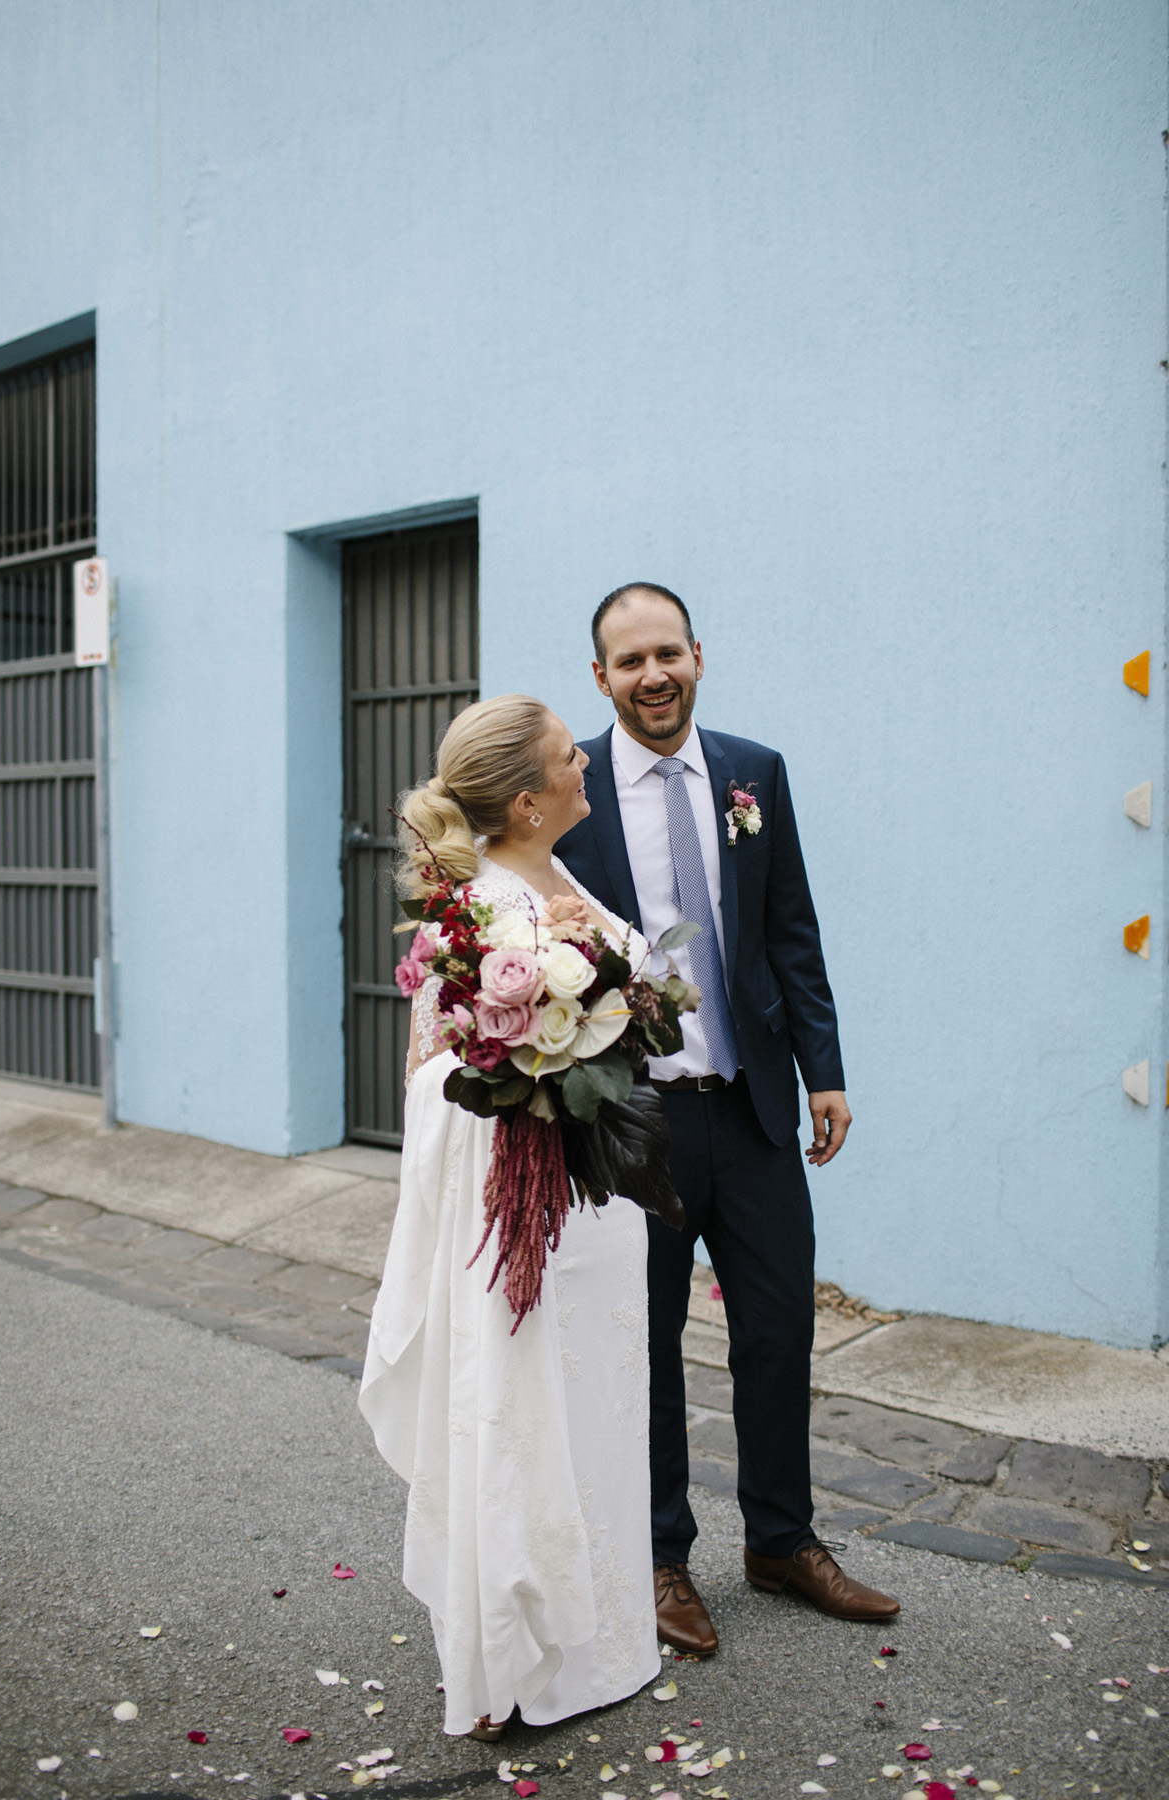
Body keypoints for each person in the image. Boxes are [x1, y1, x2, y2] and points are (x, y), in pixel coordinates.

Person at [557, 583, 900, 1654]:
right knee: (643, 1344)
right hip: (632, 1120)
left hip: (750, 1106)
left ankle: (781, 1542)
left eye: (669, 653)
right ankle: (659, 1557)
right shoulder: (563, 786)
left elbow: (790, 927)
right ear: (601, 677)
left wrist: (823, 1070)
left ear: (698, 656)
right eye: (630, 661)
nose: (653, 675)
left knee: (777, 1331)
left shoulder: (755, 772)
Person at [358, 694, 662, 1739]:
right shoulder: (479, 911)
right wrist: (544, 1048)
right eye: (568, 756)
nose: (587, 762)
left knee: (598, 1417)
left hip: (600, 1207)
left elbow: (625, 1007)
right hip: (526, 1206)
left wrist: (611, 998)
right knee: (521, 1417)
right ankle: (513, 1657)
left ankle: (604, 1643)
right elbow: (433, 1070)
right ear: (528, 802)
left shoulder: (558, 874)